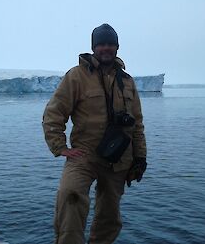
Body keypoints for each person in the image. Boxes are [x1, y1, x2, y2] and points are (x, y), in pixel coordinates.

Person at [42, 23, 147, 244]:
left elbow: (137, 125)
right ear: (93, 47)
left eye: (110, 44)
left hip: (119, 158)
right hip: (84, 155)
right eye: (101, 44)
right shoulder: (76, 76)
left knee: (109, 214)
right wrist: (60, 148)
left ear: (117, 47)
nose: (106, 48)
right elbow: (54, 114)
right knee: (69, 195)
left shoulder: (127, 82)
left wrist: (140, 158)